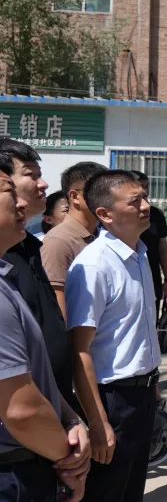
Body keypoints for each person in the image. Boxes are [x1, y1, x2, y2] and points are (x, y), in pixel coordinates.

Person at [66, 170, 162, 502]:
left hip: (141, 395)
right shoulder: (95, 265)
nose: (146, 206)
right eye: (135, 202)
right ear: (105, 214)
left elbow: (137, 333)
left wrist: (153, 383)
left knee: (131, 490)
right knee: (108, 492)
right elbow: (80, 350)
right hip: (112, 401)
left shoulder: (140, 254)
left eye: (145, 198)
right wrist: (98, 422)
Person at [0, 160, 91, 502]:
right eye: (9, 193)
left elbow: (36, 376)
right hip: (13, 472)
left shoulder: (8, 276)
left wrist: (70, 420)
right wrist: (70, 460)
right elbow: (20, 410)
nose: (22, 204)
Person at [0, 141, 79, 413]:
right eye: (30, 175)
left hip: (53, 403)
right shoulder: (5, 256)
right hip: (24, 417)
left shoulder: (30, 247)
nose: (43, 184)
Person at [42, 161, 107, 318]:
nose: (109, 198)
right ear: (75, 196)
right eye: (101, 191)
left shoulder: (102, 236)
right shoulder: (58, 241)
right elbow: (56, 307)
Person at [130, 172, 167, 318]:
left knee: (151, 320)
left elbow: (163, 248)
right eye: (140, 186)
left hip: (152, 277)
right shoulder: (123, 216)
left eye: (146, 186)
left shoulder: (155, 215)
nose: (145, 190)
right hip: (129, 278)